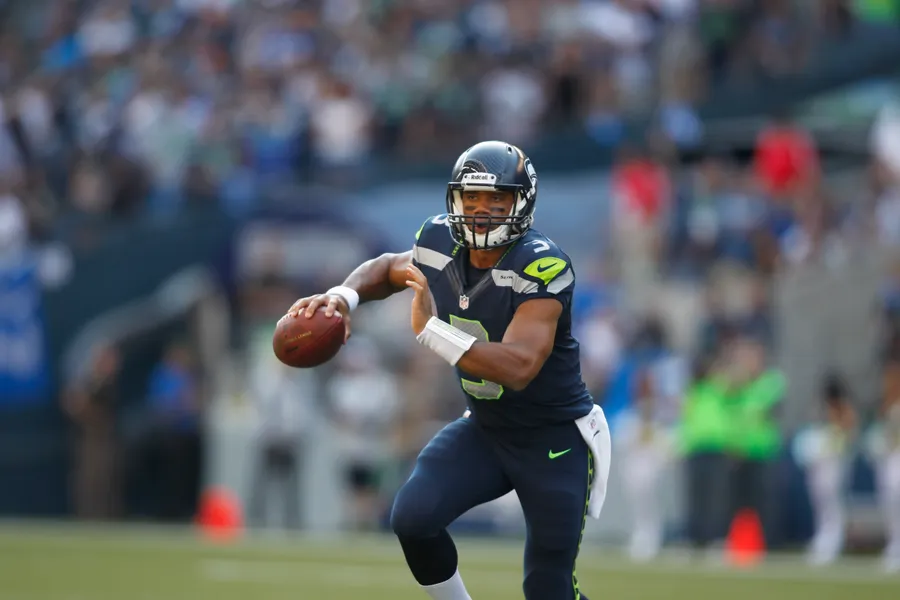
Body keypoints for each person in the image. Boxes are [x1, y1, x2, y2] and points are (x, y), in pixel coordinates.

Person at [288, 141, 611, 600]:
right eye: (471, 198)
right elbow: (388, 268)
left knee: (548, 586)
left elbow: (519, 366)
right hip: (486, 429)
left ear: (521, 203)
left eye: (496, 200)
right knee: (413, 518)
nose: (480, 211)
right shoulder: (439, 240)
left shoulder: (543, 263)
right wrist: (343, 297)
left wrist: (433, 331)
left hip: (554, 439)